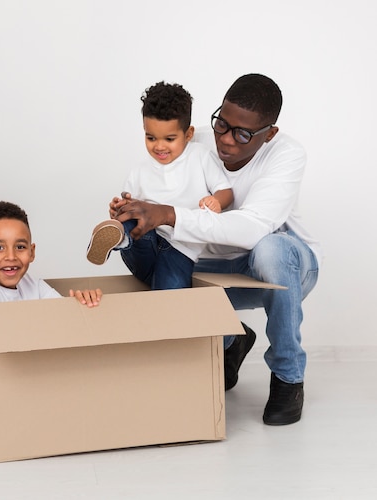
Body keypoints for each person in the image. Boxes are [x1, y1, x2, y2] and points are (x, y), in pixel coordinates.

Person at [111, 74, 321, 425]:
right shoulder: (193, 142)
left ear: (269, 134)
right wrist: (135, 212)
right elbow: (159, 194)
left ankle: (288, 376)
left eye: (242, 133)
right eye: (221, 123)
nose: (225, 139)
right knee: (168, 268)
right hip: (212, 269)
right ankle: (230, 338)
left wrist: (170, 214)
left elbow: (252, 229)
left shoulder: (286, 154)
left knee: (270, 249)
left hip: (281, 268)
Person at [85, 81, 233, 290]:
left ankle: (123, 238)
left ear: (188, 134)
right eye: (150, 137)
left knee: (169, 294)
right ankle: (117, 236)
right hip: (143, 242)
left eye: (169, 139)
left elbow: (226, 191)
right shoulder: (139, 171)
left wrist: (217, 200)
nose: (159, 146)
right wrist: (117, 211)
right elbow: (128, 205)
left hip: (181, 249)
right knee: (134, 215)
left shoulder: (200, 156)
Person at [0, 201, 102, 306]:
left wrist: (82, 302)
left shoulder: (31, 285)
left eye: (20, 247)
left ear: (32, 252)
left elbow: (63, 315)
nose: (11, 257)